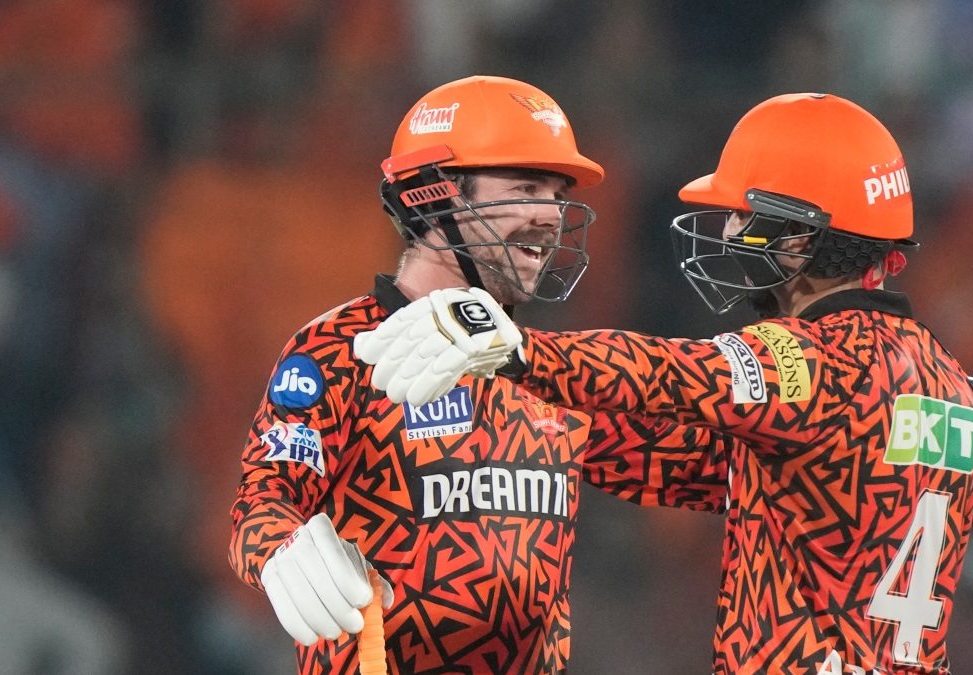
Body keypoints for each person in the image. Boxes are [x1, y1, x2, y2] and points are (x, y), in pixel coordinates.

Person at [357, 93, 973, 674]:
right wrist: (524, 414)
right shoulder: (944, 377)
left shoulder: (808, 361)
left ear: (804, 235)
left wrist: (521, 350)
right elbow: (688, 465)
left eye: (745, 217)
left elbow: (666, 374)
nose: (727, 234)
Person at [228, 75, 737, 675]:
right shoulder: (342, 350)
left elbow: (707, 475)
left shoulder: (545, 372)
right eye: (524, 187)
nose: (550, 216)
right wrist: (279, 552)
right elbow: (262, 501)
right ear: (434, 198)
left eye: (555, 193)